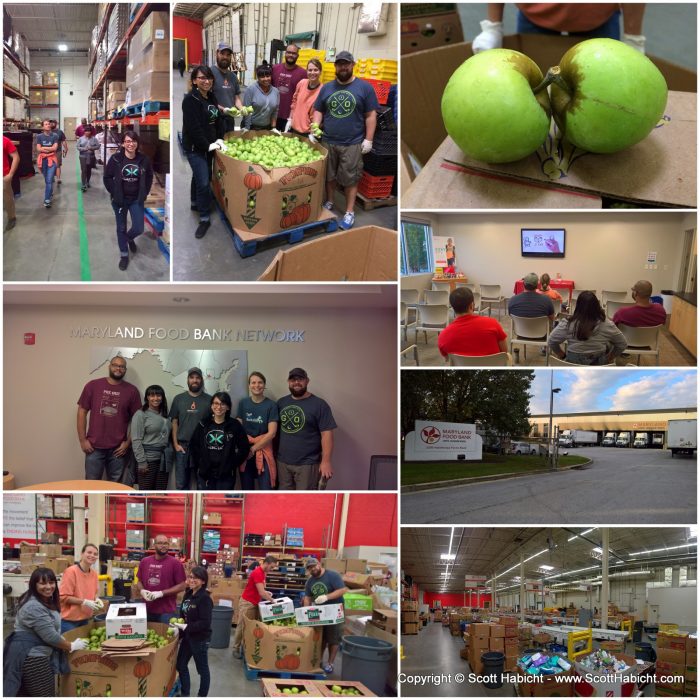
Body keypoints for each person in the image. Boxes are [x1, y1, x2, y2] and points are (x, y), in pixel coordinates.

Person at [312, 52, 379, 230]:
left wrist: (369, 140)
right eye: (339, 64)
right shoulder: (326, 88)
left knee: (351, 179)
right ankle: (330, 201)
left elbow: (371, 114)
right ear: (335, 66)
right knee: (330, 175)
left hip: (352, 143)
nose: (343, 67)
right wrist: (315, 126)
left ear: (353, 65)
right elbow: (318, 109)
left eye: (346, 64)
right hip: (328, 140)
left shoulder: (365, 88)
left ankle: (349, 211)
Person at [3, 567, 89, 697]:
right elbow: (50, 637)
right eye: (43, 583)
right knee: (45, 695)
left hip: (37, 653)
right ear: (34, 584)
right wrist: (71, 646)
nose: (48, 587)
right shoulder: (33, 606)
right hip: (32, 657)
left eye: (51, 582)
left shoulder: (44, 600)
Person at [472, 4, 647, 53]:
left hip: (598, 16)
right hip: (536, 14)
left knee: (607, 92)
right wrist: (493, 26)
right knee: (532, 86)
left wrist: (633, 38)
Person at [77, 355, 142, 481]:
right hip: (94, 448)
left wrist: (128, 443)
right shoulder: (93, 386)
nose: (118, 368)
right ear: (109, 366)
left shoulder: (132, 391)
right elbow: (82, 411)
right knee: (91, 485)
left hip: (118, 450)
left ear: (125, 370)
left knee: (115, 486)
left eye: (122, 366)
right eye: (115, 365)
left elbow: (138, 420)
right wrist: (82, 440)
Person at [182, 64, 227, 240]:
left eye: (209, 78)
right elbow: (194, 129)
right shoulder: (190, 100)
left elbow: (217, 120)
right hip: (195, 148)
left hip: (210, 144)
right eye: (202, 78)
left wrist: (220, 138)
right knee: (203, 181)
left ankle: (194, 202)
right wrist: (208, 145)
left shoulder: (211, 97)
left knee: (199, 175)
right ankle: (204, 218)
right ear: (194, 81)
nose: (206, 81)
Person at [277, 368, 337, 490]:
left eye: (300, 379)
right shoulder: (281, 403)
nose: (296, 382)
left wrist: (326, 462)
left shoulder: (319, 405)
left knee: (305, 501)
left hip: (308, 464)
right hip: (282, 463)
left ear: (307, 381)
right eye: (293, 380)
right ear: (288, 382)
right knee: (284, 500)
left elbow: (327, 434)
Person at [103, 130, 154, 270]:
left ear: (137, 143)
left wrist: (145, 192)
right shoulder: (115, 159)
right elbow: (107, 177)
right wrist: (114, 192)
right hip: (120, 200)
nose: (130, 144)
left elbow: (149, 176)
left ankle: (129, 238)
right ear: (123, 144)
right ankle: (124, 255)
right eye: (127, 141)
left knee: (138, 227)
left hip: (136, 199)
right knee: (121, 227)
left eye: (133, 141)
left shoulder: (144, 160)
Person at [548, 290, 628, 365]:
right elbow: (622, 344)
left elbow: (551, 341)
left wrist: (562, 355)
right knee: (609, 345)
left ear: (578, 306)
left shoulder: (568, 323)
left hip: (572, 363)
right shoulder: (607, 324)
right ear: (597, 305)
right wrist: (610, 357)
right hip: (599, 364)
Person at [190, 392, 250, 490]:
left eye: (223, 404)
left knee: (223, 503)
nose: (219, 407)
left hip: (226, 475)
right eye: (216, 403)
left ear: (228, 407)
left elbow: (244, 448)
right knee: (206, 502)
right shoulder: (203, 424)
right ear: (212, 406)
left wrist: (231, 464)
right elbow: (194, 445)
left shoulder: (235, 425)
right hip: (205, 474)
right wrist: (201, 464)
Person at [303, 558, 349, 674]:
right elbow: (307, 597)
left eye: (314, 566)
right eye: (309, 568)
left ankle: (330, 663)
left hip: (335, 611)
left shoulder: (332, 575)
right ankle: (319, 661)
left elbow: (343, 590)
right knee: (321, 638)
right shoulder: (310, 581)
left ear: (319, 564)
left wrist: (326, 597)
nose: (312, 569)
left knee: (334, 638)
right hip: (320, 613)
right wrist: (305, 611)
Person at [170, 368, 212, 490]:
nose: (195, 380)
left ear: (201, 380)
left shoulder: (210, 400)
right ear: (187, 380)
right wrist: (175, 444)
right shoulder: (178, 399)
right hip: (182, 448)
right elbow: (174, 421)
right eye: (192, 377)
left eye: (197, 378)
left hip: (203, 448)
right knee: (181, 484)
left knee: (202, 484)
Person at [438, 287, 508, 358]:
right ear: (472, 305)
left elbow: (448, 359)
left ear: (453, 308)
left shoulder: (443, 336)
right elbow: (504, 352)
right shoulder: (492, 323)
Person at [175, 566, 213, 698]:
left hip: (200, 639)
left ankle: (201, 696)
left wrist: (186, 627)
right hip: (187, 637)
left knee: (202, 671)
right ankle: (185, 694)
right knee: (180, 665)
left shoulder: (205, 599)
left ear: (203, 581)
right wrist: (179, 630)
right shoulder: (188, 594)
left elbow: (205, 623)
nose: (192, 580)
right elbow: (183, 615)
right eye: (190, 577)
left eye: (195, 578)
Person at [237, 371, 278, 490]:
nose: (257, 385)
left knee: (266, 489)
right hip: (246, 451)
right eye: (253, 382)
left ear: (264, 385)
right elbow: (238, 426)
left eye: (260, 382)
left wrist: (253, 449)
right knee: (247, 488)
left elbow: (272, 433)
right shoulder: (243, 403)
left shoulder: (271, 405)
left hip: (263, 450)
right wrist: (245, 449)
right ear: (249, 386)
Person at [133, 535, 187, 623]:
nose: (163, 545)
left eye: (166, 543)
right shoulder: (145, 562)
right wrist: (142, 591)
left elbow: (182, 585)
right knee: (148, 636)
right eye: (160, 543)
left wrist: (161, 593)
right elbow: (139, 581)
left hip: (166, 612)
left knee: (165, 636)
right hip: (146, 609)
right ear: (154, 545)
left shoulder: (175, 563)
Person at [231, 555, 278, 658]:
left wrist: (266, 592)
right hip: (247, 603)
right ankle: (236, 648)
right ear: (267, 563)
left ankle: (245, 646)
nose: (272, 569)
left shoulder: (262, 573)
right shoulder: (257, 573)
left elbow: (260, 589)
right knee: (242, 625)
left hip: (254, 602)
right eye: (272, 567)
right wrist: (272, 601)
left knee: (249, 626)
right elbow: (261, 592)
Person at [131, 385, 172, 490]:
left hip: (163, 461)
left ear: (162, 397)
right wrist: (141, 462)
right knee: (146, 493)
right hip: (148, 460)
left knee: (160, 493)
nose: (155, 398)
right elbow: (136, 440)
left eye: (158, 395)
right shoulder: (140, 414)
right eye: (152, 395)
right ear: (147, 398)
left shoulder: (165, 415)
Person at [58, 543, 102, 633]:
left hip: (85, 619)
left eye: (95, 554)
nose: (92, 556)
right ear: (82, 554)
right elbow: (63, 597)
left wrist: (96, 599)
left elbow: (94, 593)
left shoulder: (94, 574)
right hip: (70, 621)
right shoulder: (71, 572)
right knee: (69, 646)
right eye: (89, 552)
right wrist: (84, 602)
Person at [271, 43, 307, 131]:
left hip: (290, 117)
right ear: (285, 54)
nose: (291, 55)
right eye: (289, 52)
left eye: (294, 53)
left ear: (297, 55)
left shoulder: (303, 73)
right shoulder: (275, 69)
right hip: (273, 114)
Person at [210, 42, 243, 133]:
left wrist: (241, 109)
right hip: (213, 119)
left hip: (229, 120)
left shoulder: (233, 76)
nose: (225, 57)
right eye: (222, 53)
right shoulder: (209, 73)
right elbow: (206, 99)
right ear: (217, 53)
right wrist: (223, 109)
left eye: (228, 55)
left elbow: (236, 97)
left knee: (229, 143)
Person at [285, 59, 323, 135]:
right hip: (293, 128)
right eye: (310, 70)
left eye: (316, 70)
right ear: (307, 71)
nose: (312, 73)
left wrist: (314, 131)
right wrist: (290, 119)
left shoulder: (323, 90)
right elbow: (294, 102)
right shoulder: (301, 83)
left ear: (320, 72)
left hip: (308, 132)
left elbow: (321, 112)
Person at [242, 65, 280, 132]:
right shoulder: (250, 89)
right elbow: (247, 110)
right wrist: (247, 128)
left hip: (267, 127)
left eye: (268, 76)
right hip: (251, 127)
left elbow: (275, 111)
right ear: (258, 78)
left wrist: (273, 127)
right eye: (262, 77)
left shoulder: (275, 91)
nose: (265, 79)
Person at [36, 119, 59, 208]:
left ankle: (47, 199)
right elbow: (38, 148)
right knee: (47, 180)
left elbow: (55, 148)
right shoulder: (39, 136)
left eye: (49, 124)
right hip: (43, 160)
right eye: (46, 124)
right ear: (42, 126)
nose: (48, 125)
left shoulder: (55, 136)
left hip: (52, 159)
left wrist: (44, 149)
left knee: (49, 180)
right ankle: (50, 192)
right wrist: (49, 148)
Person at [76, 125, 99, 192]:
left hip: (91, 157)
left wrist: (92, 148)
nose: (87, 132)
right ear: (84, 132)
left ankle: (87, 182)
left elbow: (98, 146)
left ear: (91, 132)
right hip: (83, 156)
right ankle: (83, 184)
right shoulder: (81, 139)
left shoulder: (94, 139)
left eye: (89, 131)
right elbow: (77, 147)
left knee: (89, 170)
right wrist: (84, 149)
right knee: (84, 170)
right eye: (86, 131)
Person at [3, 134, 19, 231]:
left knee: (7, 198)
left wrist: (10, 174)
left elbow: (16, 157)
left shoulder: (4, 140)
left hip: (3, 175)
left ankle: (11, 217)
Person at [49, 119, 67, 186]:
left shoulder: (60, 132)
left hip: (58, 151)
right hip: (48, 152)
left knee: (57, 165)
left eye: (53, 123)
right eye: (50, 123)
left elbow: (63, 141)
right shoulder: (47, 132)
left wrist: (66, 148)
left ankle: (58, 178)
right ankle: (51, 177)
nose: (51, 124)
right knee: (50, 165)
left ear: (56, 124)